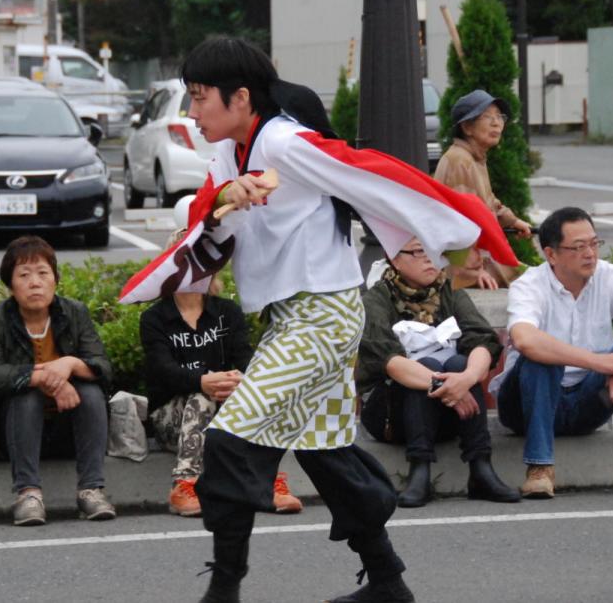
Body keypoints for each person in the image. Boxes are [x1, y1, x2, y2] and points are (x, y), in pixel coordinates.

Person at [119, 38, 517, 603]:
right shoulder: (232, 152)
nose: (193, 111)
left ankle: (224, 591)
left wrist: (453, 227)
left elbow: (364, 174)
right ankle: (387, 581)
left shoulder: (282, 140)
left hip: (322, 316)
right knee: (323, 451)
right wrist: (227, 194)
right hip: (293, 317)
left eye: (201, 97)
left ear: (240, 97)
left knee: (230, 439)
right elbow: (203, 213)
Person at [491, 207, 613, 500]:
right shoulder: (529, 284)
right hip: (526, 406)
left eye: (594, 244)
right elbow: (525, 339)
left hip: (587, 403)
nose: (590, 254)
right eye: (578, 247)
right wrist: (601, 362)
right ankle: (539, 468)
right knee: (542, 354)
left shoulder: (610, 276)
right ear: (551, 254)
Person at [139, 233, 301, 518]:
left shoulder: (227, 312)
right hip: (171, 419)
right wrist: (202, 382)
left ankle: (268, 481)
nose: (193, 269)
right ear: (171, 268)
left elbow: (246, 361)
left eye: (201, 261)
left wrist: (235, 381)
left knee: (255, 396)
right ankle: (184, 484)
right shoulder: (155, 318)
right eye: (184, 261)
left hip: (224, 412)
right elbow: (162, 371)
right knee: (201, 399)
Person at [357, 237, 519, 508]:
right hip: (390, 416)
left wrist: (465, 380)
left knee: (460, 364)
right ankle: (419, 469)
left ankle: (480, 468)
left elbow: (482, 341)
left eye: (432, 251)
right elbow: (391, 362)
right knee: (427, 366)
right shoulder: (376, 299)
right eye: (419, 252)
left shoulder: (448, 291)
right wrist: (444, 386)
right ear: (394, 258)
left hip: (447, 411)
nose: (429, 259)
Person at [0, 235, 116, 526]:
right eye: (24, 275)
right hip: (18, 428)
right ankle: (28, 495)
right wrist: (47, 377)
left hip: (68, 424)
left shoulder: (74, 312)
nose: (35, 282)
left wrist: (69, 363)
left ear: (55, 279)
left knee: (90, 393)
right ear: (10, 284)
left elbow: (102, 367)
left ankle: (91, 490)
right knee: (26, 394)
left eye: (43, 273)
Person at [433, 89, 533, 290]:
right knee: (535, 284)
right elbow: (458, 223)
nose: (497, 123)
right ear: (467, 127)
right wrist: (473, 272)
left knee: (536, 281)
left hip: (477, 259)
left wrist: (512, 221)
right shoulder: (460, 161)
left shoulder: (473, 157)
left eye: (500, 117)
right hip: (463, 268)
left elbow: (488, 203)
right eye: (488, 117)